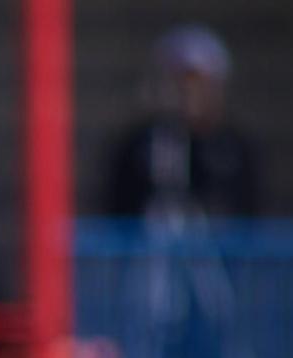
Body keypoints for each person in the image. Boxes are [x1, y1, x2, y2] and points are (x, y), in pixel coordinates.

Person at [103, 25, 260, 223]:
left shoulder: (235, 149)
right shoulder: (137, 146)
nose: (189, 94)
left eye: (199, 84)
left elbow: (248, 215)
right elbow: (117, 210)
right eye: (181, 83)